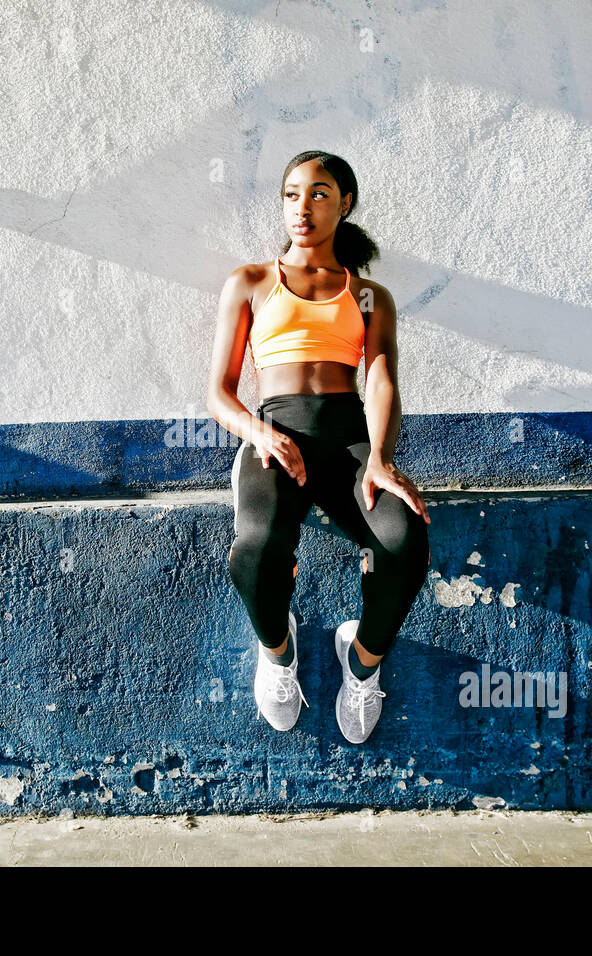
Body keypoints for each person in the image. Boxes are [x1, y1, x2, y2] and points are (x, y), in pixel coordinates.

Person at [206, 150, 431, 744]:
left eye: (320, 194)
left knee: (405, 542)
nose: (302, 207)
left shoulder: (368, 296)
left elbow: (380, 379)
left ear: (345, 203)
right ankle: (279, 653)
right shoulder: (251, 283)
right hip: (277, 435)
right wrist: (259, 432)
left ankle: (361, 667)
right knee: (255, 550)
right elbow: (219, 394)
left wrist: (380, 458)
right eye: (291, 194)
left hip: (350, 438)